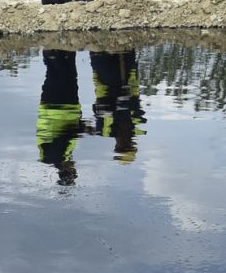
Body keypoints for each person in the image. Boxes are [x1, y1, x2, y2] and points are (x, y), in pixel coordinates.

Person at [36, 48, 87, 184]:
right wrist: (80, 125)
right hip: (68, 107)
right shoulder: (65, 155)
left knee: (58, 72)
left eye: (72, 171)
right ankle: (66, 48)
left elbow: (64, 134)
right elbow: (69, 132)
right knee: (68, 73)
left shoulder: (52, 156)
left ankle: (51, 48)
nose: (74, 167)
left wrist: (82, 129)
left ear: (66, 171)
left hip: (55, 107)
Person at [89, 48, 146, 162]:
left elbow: (98, 108)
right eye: (126, 146)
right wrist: (128, 96)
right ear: (133, 145)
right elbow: (136, 100)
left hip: (105, 78)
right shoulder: (138, 124)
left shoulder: (104, 130)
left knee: (100, 47)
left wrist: (113, 107)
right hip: (126, 74)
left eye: (121, 148)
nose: (124, 143)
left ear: (116, 146)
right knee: (125, 46)